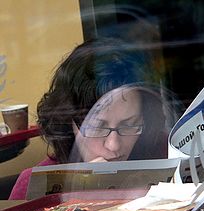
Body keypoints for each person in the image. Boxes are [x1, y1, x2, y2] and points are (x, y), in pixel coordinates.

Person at [9, 38, 180, 200]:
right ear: (69, 123)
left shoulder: (168, 154)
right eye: (98, 127)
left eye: (129, 125)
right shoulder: (32, 185)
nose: (114, 145)